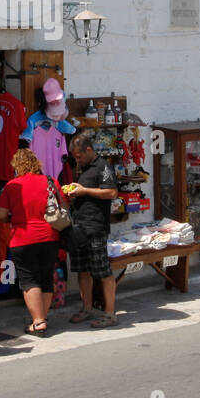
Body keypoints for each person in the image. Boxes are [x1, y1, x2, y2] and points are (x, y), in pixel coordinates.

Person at [0, 148, 60, 335]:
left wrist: (12, 218)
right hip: (50, 236)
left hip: (23, 238)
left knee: (29, 280)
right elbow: (62, 205)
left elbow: (0, 214)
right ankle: (42, 318)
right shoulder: (50, 181)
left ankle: (38, 321)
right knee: (46, 278)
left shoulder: (12, 186)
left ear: (17, 166)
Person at [63, 131, 119, 328]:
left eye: (79, 155)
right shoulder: (81, 168)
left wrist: (84, 190)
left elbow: (111, 192)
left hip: (95, 226)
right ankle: (87, 308)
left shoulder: (103, 166)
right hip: (79, 226)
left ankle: (110, 313)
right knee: (83, 270)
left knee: (102, 270)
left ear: (88, 150)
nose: (77, 159)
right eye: (74, 157)